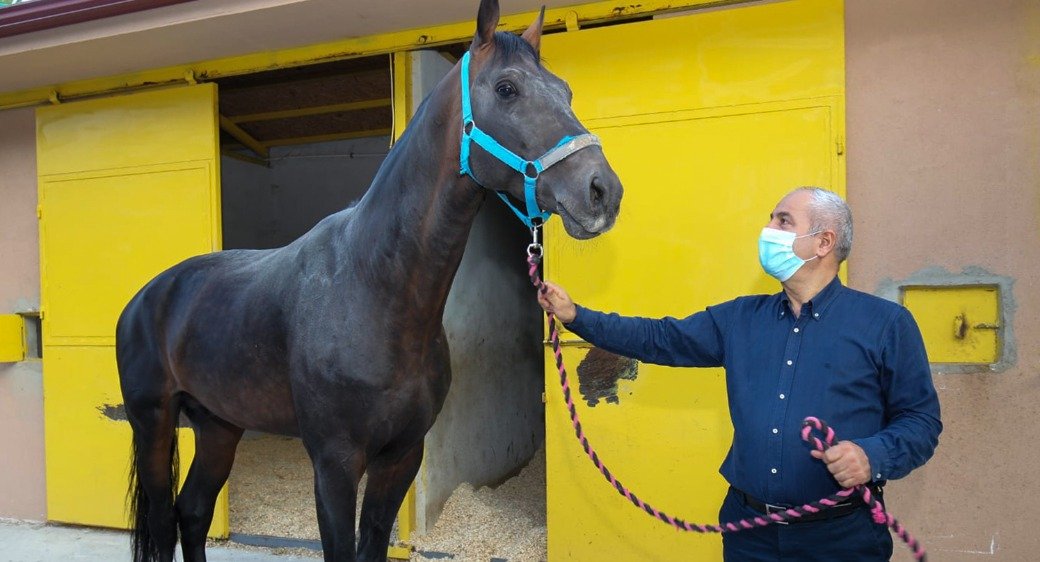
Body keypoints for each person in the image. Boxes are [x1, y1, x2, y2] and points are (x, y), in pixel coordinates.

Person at [537, 187, 941, 561]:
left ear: (824, 243)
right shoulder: (741, 319)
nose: (768, 230)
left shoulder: (886, 324)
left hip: (841, 537)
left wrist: (873, 456)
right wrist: (576, 316)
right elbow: (659, 337)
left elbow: (921, 421)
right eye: (771, 219)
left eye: (784, 221)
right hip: (750, 534)